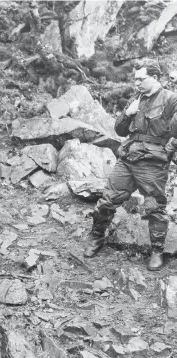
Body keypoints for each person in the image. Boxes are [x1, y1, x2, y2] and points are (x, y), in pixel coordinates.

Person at [83, 59, 177, 271]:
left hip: (152, 164)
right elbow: (120, 131)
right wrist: (128, 113)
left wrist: (169, 149)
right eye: (135, 79)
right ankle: (96, 237)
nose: (136, 83)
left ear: (155, 77)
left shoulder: (171, 100)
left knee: (154, 207)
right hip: (127, 159)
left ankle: (157, 251)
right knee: (107, 200)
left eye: (141, 79)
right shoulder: (136, 98)